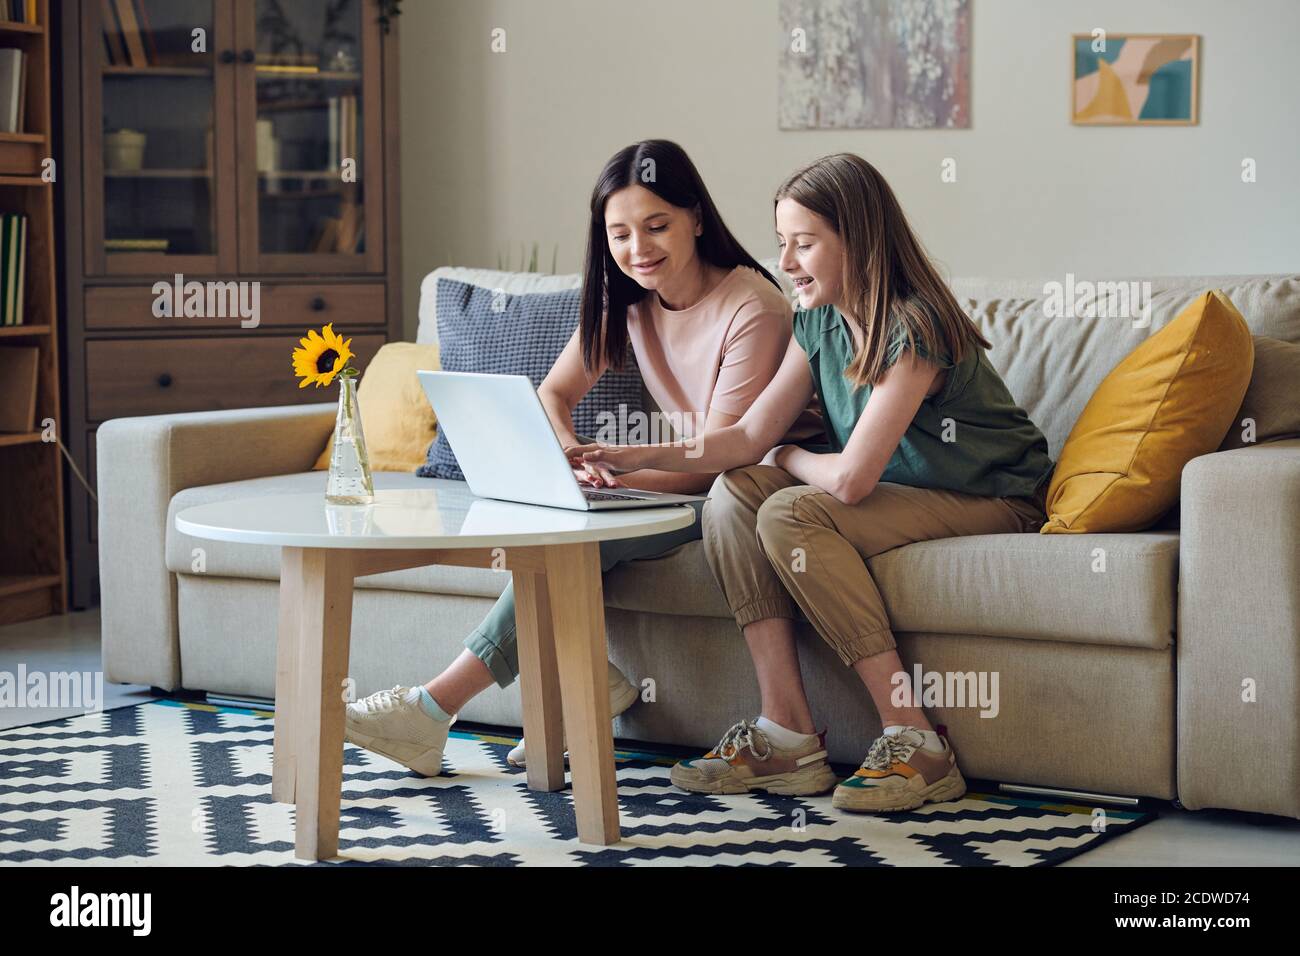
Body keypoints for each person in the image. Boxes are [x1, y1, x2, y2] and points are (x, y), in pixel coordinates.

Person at [572, 153, 1054, 812]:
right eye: (783, 244)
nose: (788, 262)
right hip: (911, 493)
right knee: (739, 491)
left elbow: (851, 480)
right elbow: (745, 439)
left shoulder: (914, 327)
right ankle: (787, 734)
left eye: (804, 244)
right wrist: (631, 457)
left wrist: (790, 453)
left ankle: (918, 741)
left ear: (857, 241)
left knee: (791, 513)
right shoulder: (819, 321)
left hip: (995, 496)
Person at [344, 139, 821, 774]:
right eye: (619, 233)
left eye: (657, 226)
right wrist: (573, 456)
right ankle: (571, 686)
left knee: (573, 536)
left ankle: (437, 708)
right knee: (558, 524)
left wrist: (618, 471)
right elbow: (555, 391)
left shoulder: (752, 307)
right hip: (680, 479)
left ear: (697, 218)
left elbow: (720, 455)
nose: (638, 249)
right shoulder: (624, 298)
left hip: (743, 487)